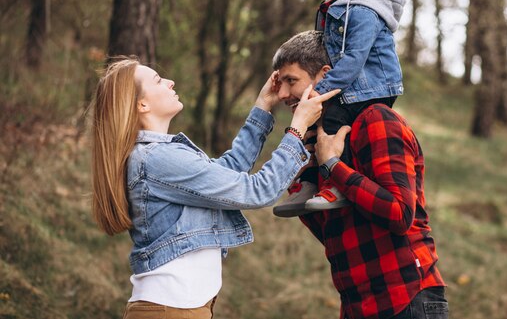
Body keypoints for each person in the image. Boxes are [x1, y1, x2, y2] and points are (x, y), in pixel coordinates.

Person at [90, 57, 338, 319]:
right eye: (157, 80)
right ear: (141, 104)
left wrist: (263, 106)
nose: (169, 81)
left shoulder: (160, 155)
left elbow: (228, 171)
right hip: (172, 311)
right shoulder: (156, 159)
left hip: (181, 308)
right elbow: (258, 190)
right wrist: (297, 128)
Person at [272, 31, 448, 319]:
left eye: (291, 81)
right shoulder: (322, 139)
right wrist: (308, 170)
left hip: (406, 299)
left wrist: (333, 166)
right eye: (280, 84)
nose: (282, 94)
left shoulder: (376, 119)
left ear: (324, 75)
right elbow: (334, 234)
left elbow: (400, 213)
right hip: (358, 304)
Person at [276, 0, 406, 214]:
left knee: (332, 120)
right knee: (312, 123)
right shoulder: (338, 8)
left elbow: (353, 59)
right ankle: (309, 181)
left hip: (370, 88)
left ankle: (337, 184)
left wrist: (321, 90)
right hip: (350, 85)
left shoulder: (363, 11)